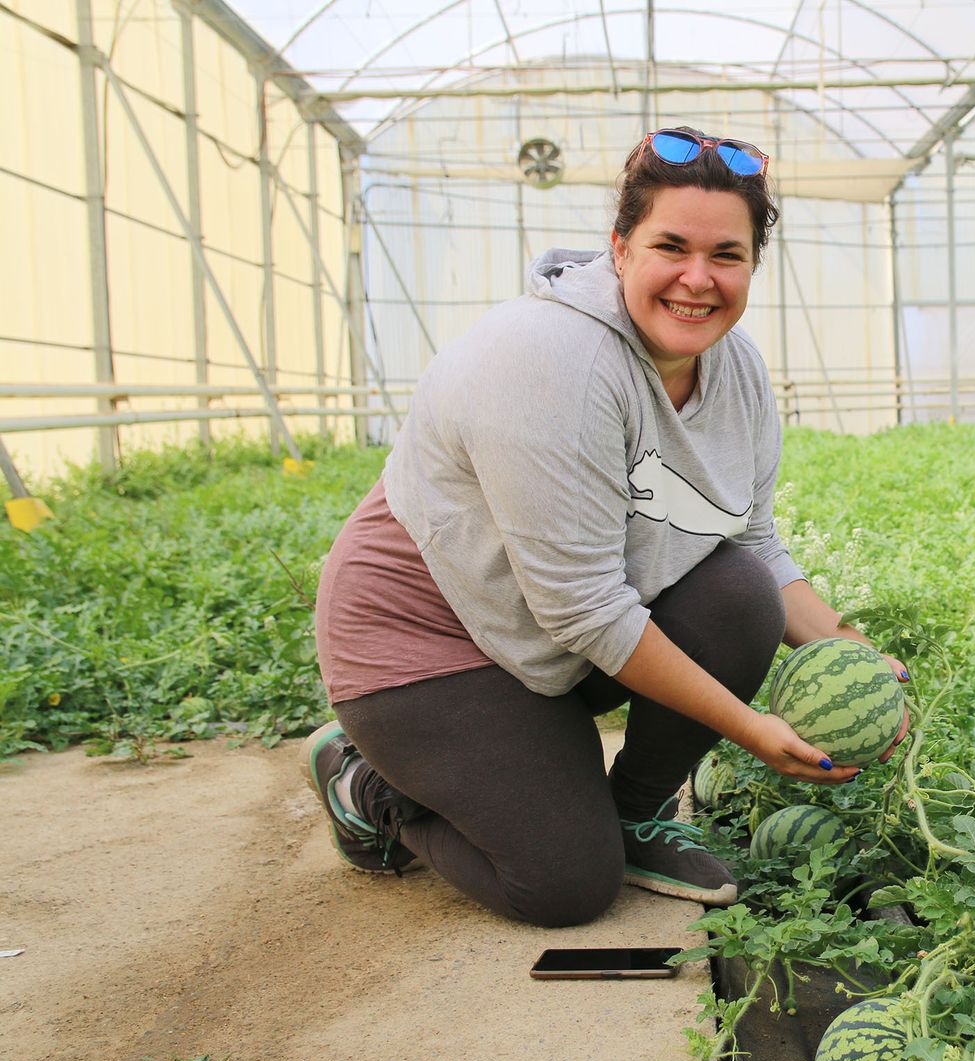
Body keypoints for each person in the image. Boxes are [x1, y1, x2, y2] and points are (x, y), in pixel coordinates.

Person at [306, 127, 909, 928]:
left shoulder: (737, 371)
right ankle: (368, 785)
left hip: (547, 629)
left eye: (726, 255)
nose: (699, 279)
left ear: (752, 266)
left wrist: (852, 650)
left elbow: (753, 542)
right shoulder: (548, 360)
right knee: (564, 886)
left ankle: (632, 813)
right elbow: (587, 608)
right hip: (425, 646)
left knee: (739, 594)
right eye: (672, 246)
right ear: (620, 248)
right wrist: (750, 728)